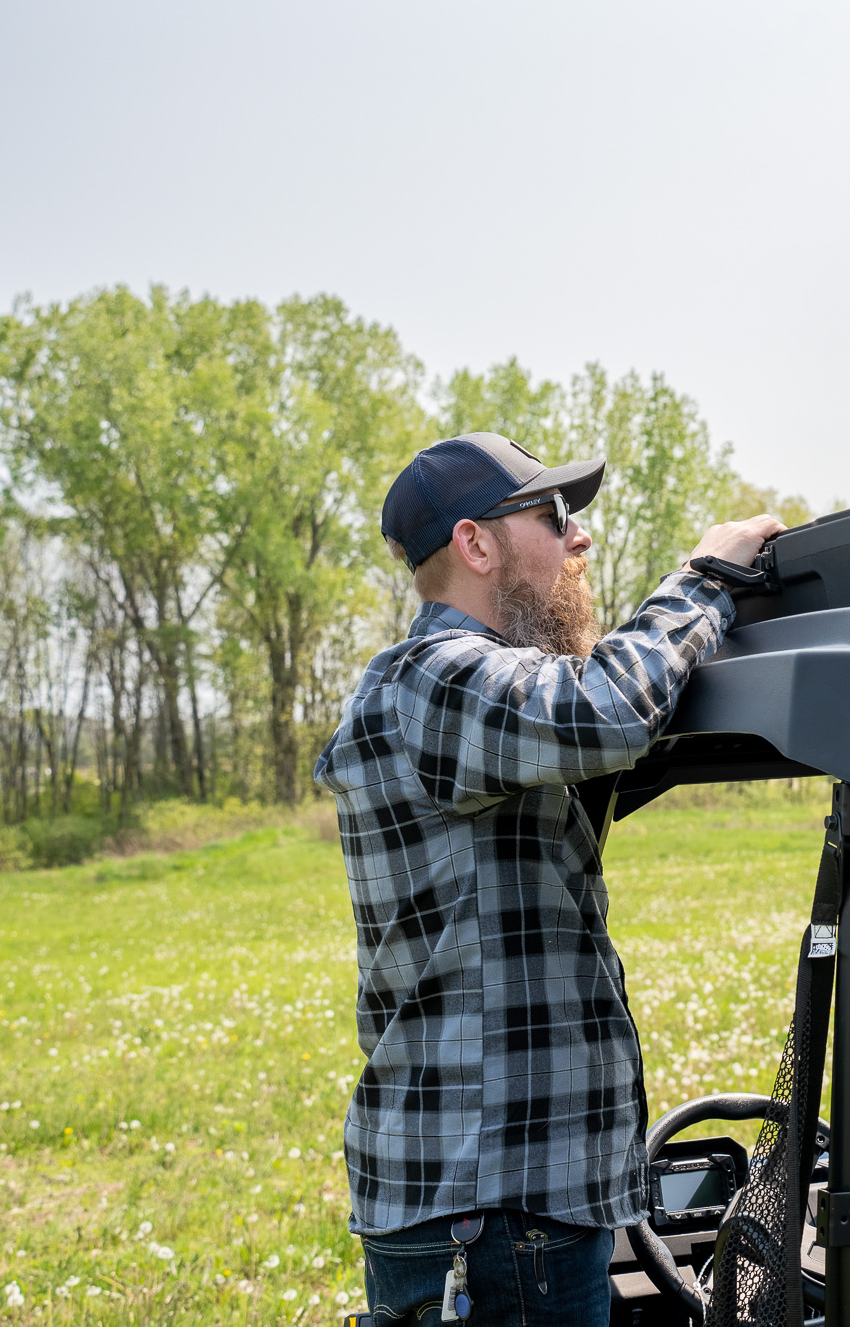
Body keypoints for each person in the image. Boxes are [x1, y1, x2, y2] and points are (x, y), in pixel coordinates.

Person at [314, 431, 782, 1324]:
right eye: (556, 515)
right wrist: (708, 580)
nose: (581, 540)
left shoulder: (468, 705)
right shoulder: (436, 680)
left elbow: (606, 737)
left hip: (501, 1207)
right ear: (476, 544)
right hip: (495, 1214)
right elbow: (607, 708)